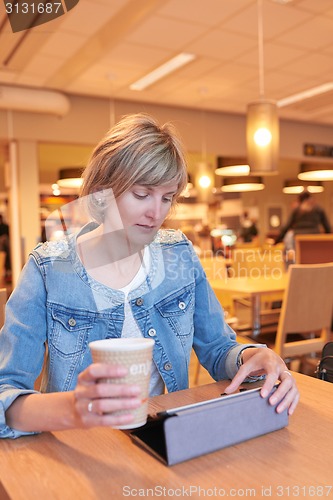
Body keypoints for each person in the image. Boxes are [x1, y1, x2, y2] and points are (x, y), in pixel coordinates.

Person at [0, 113, 299, 438]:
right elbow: (7, 393)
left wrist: (253, 356)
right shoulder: (47, 270)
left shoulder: (178, 254)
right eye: (142, 194)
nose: (156, 213)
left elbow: (216, 348)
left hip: (165, 440)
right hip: (82, 450)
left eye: (167, 198)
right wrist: (76, 408)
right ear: (101, 192)